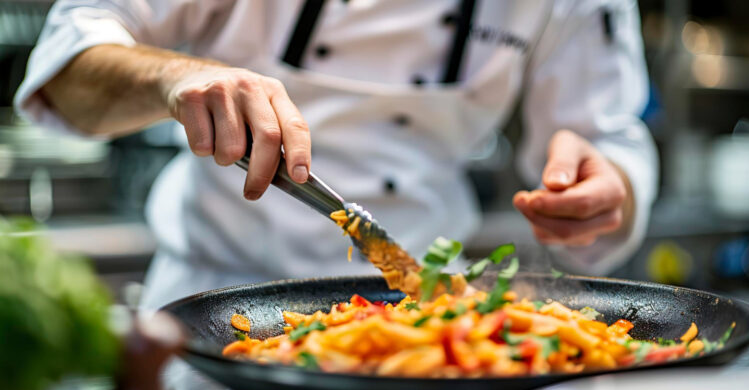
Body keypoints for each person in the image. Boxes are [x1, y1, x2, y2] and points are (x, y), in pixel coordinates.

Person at [15, 0, 657, 310]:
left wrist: (607, 186)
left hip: (429, 311)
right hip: (217, 304)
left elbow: (604, 136)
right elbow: (70, 71)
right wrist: (172, 77)